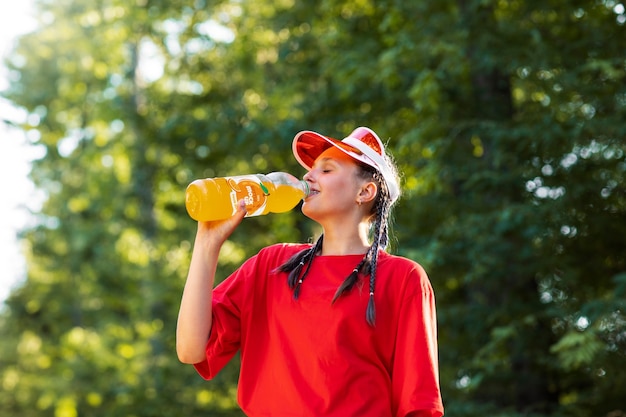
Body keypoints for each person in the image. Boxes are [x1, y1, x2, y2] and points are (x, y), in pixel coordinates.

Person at [176, 126, 444, 417]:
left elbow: (418, 405)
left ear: (365, 191)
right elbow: (191, 350)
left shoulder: (403, 278)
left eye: (326, 170)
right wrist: (206, 244)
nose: (307, 176)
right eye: (311, 169)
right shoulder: (271, 264)